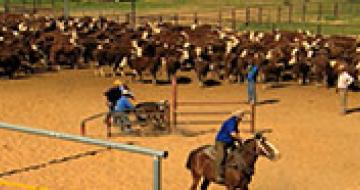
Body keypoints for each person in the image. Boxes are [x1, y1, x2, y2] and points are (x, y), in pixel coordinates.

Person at [214, 110, 245, 183]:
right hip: (221, 141)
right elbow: (233, 134)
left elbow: (236, 133)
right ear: (237, 117)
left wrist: (240, 141)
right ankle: (218, 174)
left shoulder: (235, 123)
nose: (241, 119)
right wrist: (240, 139)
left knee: (238, 153)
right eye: (241, 117)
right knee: (221, 155)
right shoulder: (231, 122)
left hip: (230, 142)